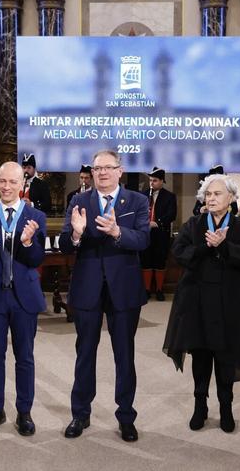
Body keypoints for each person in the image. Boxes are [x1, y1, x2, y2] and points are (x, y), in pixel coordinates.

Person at [59, 149, 150, 442]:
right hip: (87, 288)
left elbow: (143, 240)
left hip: (123, 290)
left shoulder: (137, 200)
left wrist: (117, 232)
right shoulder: (78, 200)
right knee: (85, 352)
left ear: (120, 171)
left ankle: (126, 416)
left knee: (124, 354)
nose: (102, 173)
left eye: (108, 168)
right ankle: (80, 414)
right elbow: (64, 245)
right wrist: (75, 234)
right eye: (97, 168)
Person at [163, 174, 240, 433]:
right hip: (197, 299)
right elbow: (179, 253)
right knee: (201, 355)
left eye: (217, 194)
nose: (212, 198)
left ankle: (226, 407)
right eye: (209, 194)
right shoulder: (194, 224)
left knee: (226, 357)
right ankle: (199, 406)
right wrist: (206, 247)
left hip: (229, 301)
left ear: (231, 198)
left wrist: (224, 246)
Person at [0, 162, 47, 437]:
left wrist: (28, 242)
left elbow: (37, 260)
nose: (6, 187)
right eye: (2, 181)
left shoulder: (34, 216)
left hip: (24, 298)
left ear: (22, 184)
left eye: (12, 182)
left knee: (24, 357)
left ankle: (24, 412)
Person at [140, 166, 177, 301]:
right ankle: (147, 289)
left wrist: (158, 223)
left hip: (161, 233)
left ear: (162, 181)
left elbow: (172, 214)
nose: (152, 183)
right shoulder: (143, 195)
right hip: (146, 233)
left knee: (160, 261)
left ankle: (160, 290)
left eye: (155, 181)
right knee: (146, 261)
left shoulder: (169, 196)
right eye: (150, 180)